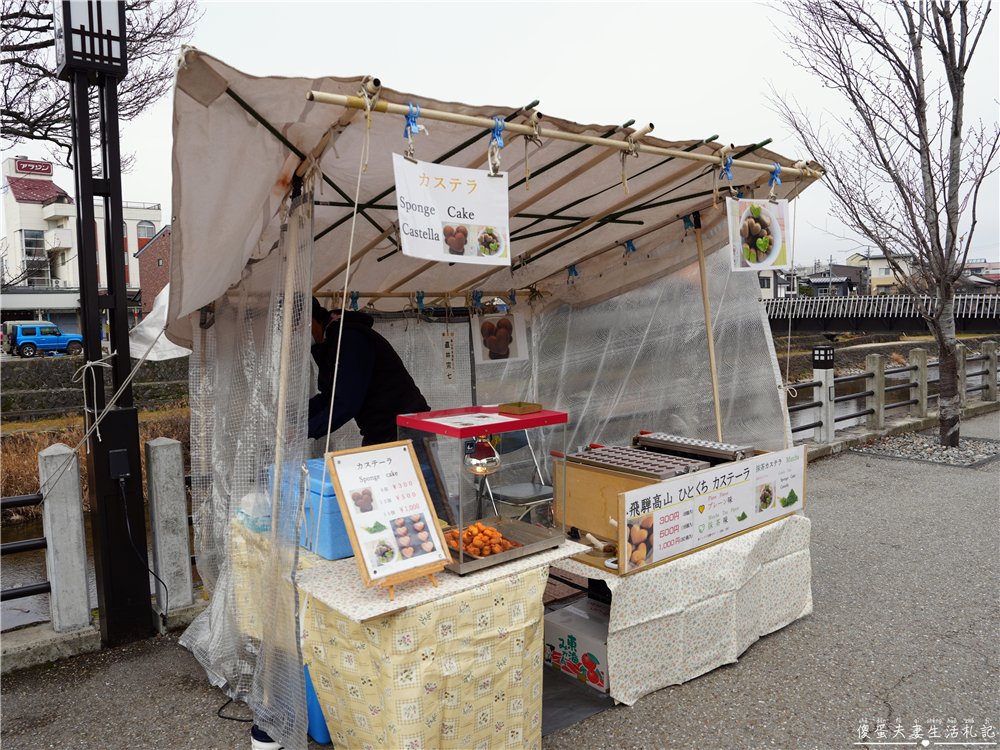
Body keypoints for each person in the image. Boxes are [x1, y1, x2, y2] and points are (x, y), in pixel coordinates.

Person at [309, 298, 430, 445]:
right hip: (377, 432)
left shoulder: (348, 338)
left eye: (293, 327)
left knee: (417, 468)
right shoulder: (325, 346)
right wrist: (296, 418)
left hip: (403, 428)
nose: (292, 336)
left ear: (310, 319)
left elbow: (347, 402)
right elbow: (330, 395)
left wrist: (306, 430)